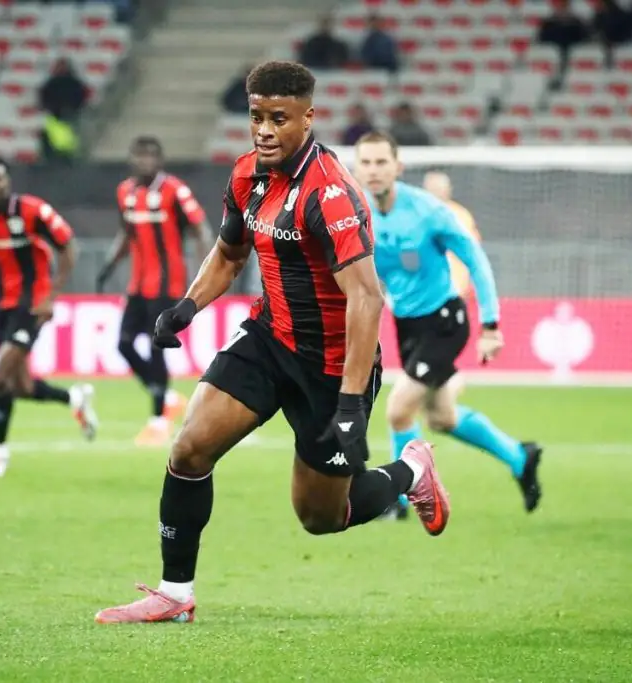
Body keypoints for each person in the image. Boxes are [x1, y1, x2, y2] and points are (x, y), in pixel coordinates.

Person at [94, 61, 451, 625]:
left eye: (277, 118)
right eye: (256, 116)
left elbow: (366, 299)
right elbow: (232, 252)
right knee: (189, 450)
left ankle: (411, 471)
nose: (263, 129)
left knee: (322, 517)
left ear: (307, 118)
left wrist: (354, 405)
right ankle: (175, 593)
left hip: (332, 368)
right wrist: (188, 306)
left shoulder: (331, 194)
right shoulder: (246, 174)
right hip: (269, 338)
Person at [353, 132, 542, 520]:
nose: (373, 171)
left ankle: (399, 499)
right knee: (441, 417)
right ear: (357, 169)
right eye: (366, 163)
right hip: (406, 324)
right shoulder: (358, 213)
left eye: (381, 162)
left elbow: (476, 261)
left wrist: (491, 324)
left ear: (398, 167)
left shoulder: (428, 212)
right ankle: (519, 457)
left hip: (443, 321)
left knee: (399, 410)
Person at [0, 155, 98, 477]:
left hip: (32, 305)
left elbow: (69, 247)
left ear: (7, 182)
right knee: (20, 387)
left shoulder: (32, 210)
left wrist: (51, 296)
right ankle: (74, 397)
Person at [97, 137, 213, 446]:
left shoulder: (175, 190)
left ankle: (158, 420)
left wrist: (207, 270)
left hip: (168, 284)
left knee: (154, 347)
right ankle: (165, 396)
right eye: (140, 156)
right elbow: (126, 233)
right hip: (138, 284)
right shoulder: (125, 192)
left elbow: (200, 227)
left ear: (160, 161)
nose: (145, 162)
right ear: (131, 160)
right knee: (123, 344)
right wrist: (109, 265)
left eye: (151, 157)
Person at [422, 170, 481, 299]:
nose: (436, 192)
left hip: (455, 289)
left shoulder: (461, 215)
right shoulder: (414, 216)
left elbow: (473, 251)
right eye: (433, 189)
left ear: (448, 190)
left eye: (439, 188)